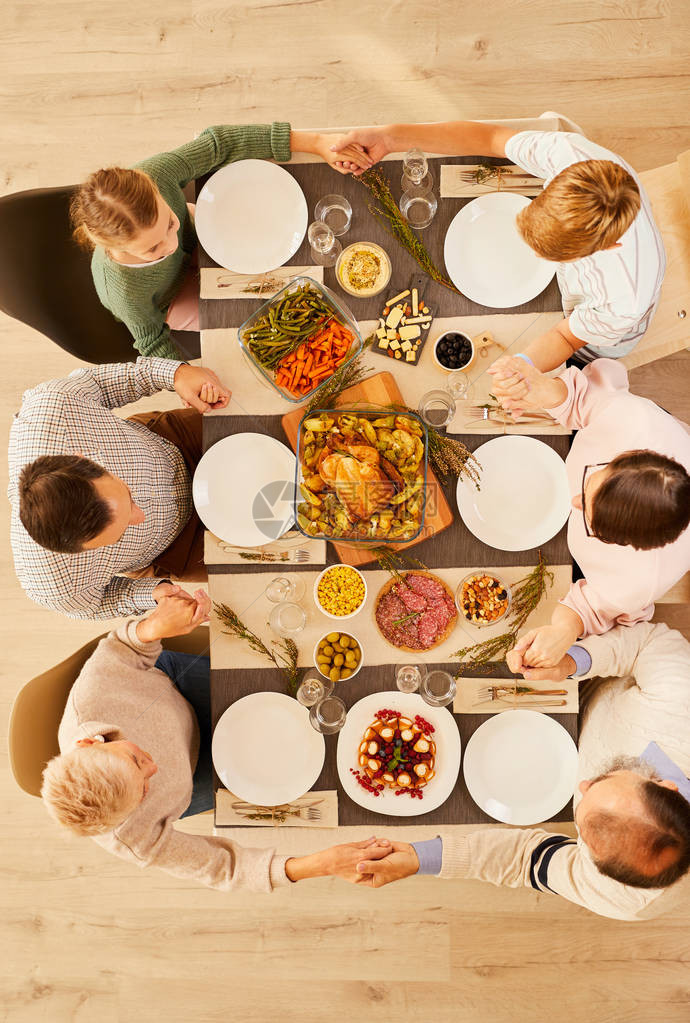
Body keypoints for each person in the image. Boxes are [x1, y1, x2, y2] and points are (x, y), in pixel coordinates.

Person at [41, 588, 391, 892]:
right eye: (143, 792)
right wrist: (322, 864)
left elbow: (123, 647)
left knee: (285, 678)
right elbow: (226, 869)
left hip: (177, 689)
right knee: (309, 769)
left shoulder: (90, 701)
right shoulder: (130, 838)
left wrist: (153, 627)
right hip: (196, 775)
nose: (154, 768)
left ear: (90, 744)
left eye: (135, 761)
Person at [354, 622, 690, 922]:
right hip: (594, 676)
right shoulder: (681, 705)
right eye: (606, 780)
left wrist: (418, 859)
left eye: (583, 832)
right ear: (666, 785)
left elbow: (526, 861)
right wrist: (575, 661)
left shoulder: (627, 899)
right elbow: (650, 643)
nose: (583, 784)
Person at [331, 121, 665, 369]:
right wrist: (389, 138)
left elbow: (565, 337)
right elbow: (488, 138)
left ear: (607, 247)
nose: (532, 254)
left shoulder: (624, 298)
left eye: (550, 254)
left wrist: (521, 366)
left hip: (599, 337)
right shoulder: (570, 156)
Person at [71, 124, 369, 359]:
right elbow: (151, 341)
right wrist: (182, 377)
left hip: (200, 235)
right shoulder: (123, 292)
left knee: (282, 261)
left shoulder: (156, 174)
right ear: (117, 248)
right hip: (173, 297)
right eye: (152, 249)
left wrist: (316, 143)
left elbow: (220, 144)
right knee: (256, 317)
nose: (170, 244)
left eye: (170, 223)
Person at [485, 356, 690, 667]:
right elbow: (583, 400)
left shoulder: (638, 581)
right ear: (630, 454)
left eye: (591, 521)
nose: (574, 502)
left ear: (628, 545)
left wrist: (563, 631)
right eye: (591, 483)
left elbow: (591, 607)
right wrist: (547, 391)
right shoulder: (635, 420)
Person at [9, 356, 230, 619]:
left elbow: (100, 384)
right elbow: (101, 603)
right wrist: (152, 594)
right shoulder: (55, 584)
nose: (141, 516)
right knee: (276, 558)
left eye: (128, 498)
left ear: (83, 458)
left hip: (178, 445)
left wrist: (176, 374)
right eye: (123, 529)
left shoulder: (54, 409)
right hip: (177, 547)